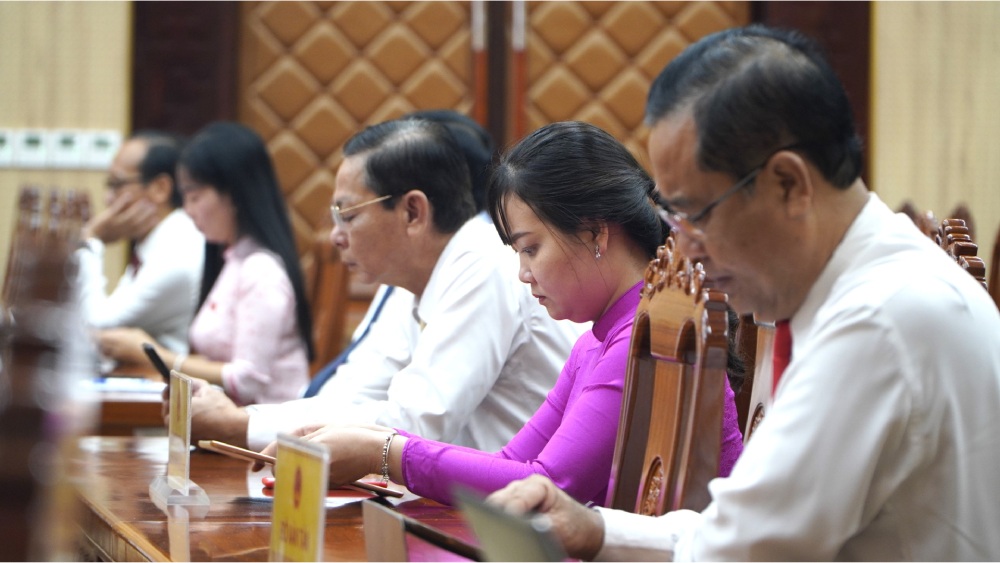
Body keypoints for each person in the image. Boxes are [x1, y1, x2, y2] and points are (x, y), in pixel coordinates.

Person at [486, 25, 1000, 561]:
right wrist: (595, 530)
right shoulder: (868, 287)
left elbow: (742, 551)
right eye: (672, 215)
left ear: (788, 185)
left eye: (697, 213)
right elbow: (743, 529)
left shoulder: (879, 321)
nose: (683, 244)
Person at [260, 121, 744, 508]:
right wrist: (375, 439)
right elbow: (512, 460)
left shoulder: (641, 339)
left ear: (596, 233)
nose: (523, 274)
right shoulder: (602, 338)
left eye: (530, 249)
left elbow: (547, 485)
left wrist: (384, 452)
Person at [178, 111, 530, 450]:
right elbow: (352, 393)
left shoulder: (483, 263)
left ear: (412, 212)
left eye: (347, 215)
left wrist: (239, 426)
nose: (335, 237)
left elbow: (415, 426)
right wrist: (244, 420)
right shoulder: (415, 281)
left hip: (519, 506)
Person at [98, 122, 314, 405]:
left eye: (194, 196)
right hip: (228, 424)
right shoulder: (231, 260)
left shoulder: (260, 270)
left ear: (234, 195)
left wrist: (153, 355)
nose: (187, 210)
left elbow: (247, 382)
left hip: (261, 437)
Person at [78, 130, 203, 357]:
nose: (108, 198)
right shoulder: (159, 240)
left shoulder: (177, 252)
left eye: (117, 184)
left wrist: (90, 241)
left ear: (160, 188)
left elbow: (96, 326)